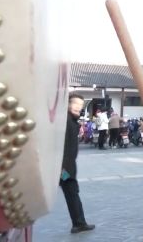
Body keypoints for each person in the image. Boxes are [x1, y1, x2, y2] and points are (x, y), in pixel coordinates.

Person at [60, 93, 95, 234]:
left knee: (72, 193)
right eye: (75, 104)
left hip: (65, 167)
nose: (78, 108)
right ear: (67, 104)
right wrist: (65, 171)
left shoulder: (70, 120)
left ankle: (79, 223)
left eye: (80, 105)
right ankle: (79, 223)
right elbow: (62, 148)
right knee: (72, 193)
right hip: (64, 168)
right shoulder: (66, 121)